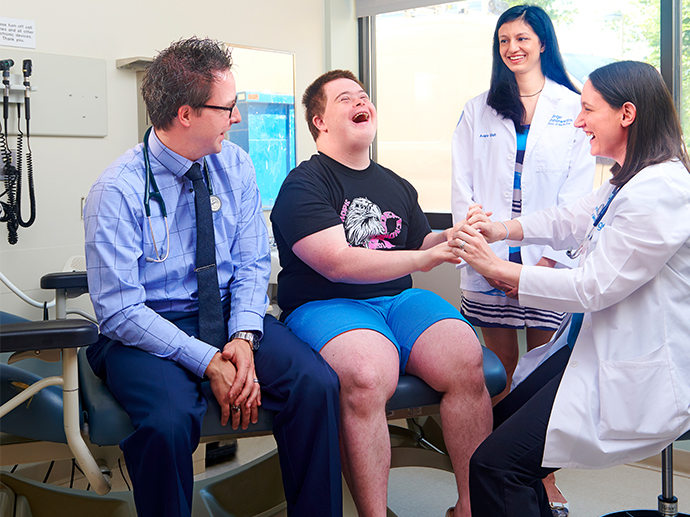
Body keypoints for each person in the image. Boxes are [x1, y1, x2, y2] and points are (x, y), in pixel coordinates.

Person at [83, 37, 341, 517]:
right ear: (186, 114)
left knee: (316, 385)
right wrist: (208, 362)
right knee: (167, 422)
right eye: (228, 107)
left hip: (226, 314)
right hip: (146, 328)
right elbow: (119, 311)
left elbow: (251, 264)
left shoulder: (235, 165)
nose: (237, 118)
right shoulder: (117, 190)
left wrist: (243, 338)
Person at [453, 61, 690, 517]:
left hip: (640, 369)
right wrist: (502, 229)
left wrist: (497, 269)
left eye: (588, 110)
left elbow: (593, 288)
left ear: (626, 114)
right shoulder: (627, 180)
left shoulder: (660, 190)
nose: (577, 121)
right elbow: (568, 219)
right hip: (600, 351)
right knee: (501, 428)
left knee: (496, 465)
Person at [270, 70, 493, 517]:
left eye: (364, 96)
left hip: (397, 301)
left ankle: (470, 508)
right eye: (345, 98)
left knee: (465, 355)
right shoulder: (303, 185)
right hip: (325, 304)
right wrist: (422, 259)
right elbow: (338, 261)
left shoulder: (395, 183)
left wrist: (450, 238)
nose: (361, 102)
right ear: (320, 121)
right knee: (368, 372)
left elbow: (418, 241)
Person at [452, 4, 595, 400]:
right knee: (497, 372)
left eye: (521, 39)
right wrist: (481, 257)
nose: (512, 48)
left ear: (542, 43)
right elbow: (462, 187)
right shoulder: (477, 109)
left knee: (543, 370)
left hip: (547, 261)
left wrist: (551, 262)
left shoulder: (573, 107)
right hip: (488, 259)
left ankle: (536, 462)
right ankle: (497, 455)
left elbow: (578, 195)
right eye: (504, 40)